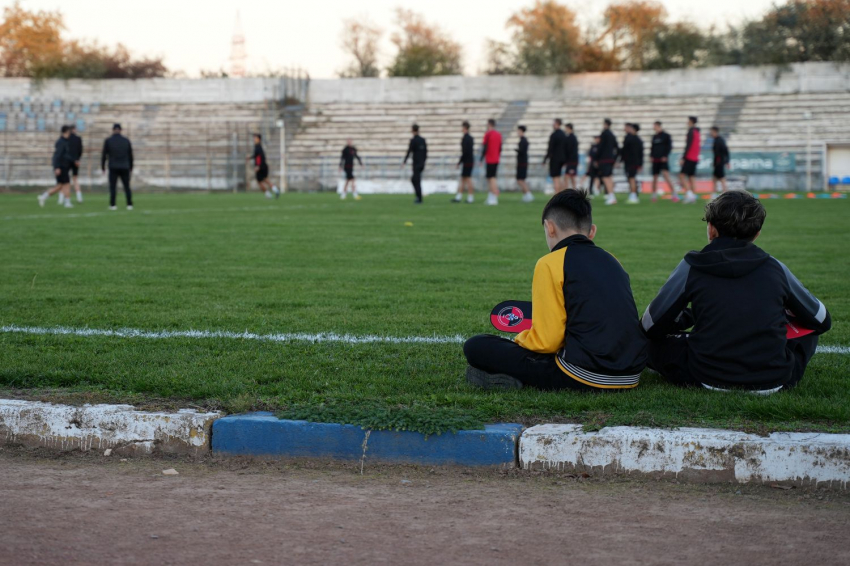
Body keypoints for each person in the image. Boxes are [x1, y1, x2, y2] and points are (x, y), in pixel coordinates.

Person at [642, 191, 831, 392]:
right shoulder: (775, 267)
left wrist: (690, 317)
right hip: (775, 378)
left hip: (703, 376)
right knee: (809, 328)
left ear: (711, 229)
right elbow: (821, 320)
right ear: (757, 234)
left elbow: (650, 325)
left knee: (648, 341)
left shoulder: (692, 266)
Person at [463, 189, 647, 391]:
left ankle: (507, 378)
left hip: (584, 376)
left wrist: (519, 339)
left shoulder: (551, 262)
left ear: (550, 228)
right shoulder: (613, 260)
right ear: (591, 231)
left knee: (476, 346)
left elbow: (547, 343)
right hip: (631, 374)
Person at [37, 125, 74, 209]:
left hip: (63, 166)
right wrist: (57, 167)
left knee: (60, 186)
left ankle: (43, 196)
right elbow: (57, 155)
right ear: (66, 132)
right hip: (61, 167)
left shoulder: (65, 141)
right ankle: (67, 203)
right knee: (66, 184)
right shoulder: (61, 142)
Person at [101, 123, 134, 210]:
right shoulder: (126, 140)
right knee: (126, 186)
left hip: (113, 166)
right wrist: (131, 167)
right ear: (120, 130)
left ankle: (113, 205)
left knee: (113, 187)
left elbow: (104, 155)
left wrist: (103, 167)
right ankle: (129, 204)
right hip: (125, 166)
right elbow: (130, 155)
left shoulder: (108, 140)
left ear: (113, 130)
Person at [247, 134, 280, 199]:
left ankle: (268, 194)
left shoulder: (258, 147)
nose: (254, 139)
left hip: (260, 166)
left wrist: (258, 166)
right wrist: (250, 157)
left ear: (259, 139)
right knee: (265, 180)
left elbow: (261, 157)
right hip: (263, 166)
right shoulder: (258, 147)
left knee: (259, 181)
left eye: (255, 138)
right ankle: (275, 190)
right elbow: (256, 156)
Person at [650, 121, 676, 202]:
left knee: (666, 175)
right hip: (655, 160)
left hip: (663, 159)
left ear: (658, 126)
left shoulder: (666, 136)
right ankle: (654, 195)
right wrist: (651, 156)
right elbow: (652, 148)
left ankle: (674, 194)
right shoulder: (654, 137)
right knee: (655, 177)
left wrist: (665, 156)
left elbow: (669, 147)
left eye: (654, 126)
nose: (653, 127)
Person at [620, 123, 643, 204]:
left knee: (631, 178)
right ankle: (633, 195)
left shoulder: (631, 139)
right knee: (631, 178)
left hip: (631, 162)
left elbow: (625, 151)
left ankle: (633, 196)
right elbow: (641, 153)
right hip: (633, 162)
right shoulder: (638, 140)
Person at [403, 123, 427, 204]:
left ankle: (419, 198)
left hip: (416, 164)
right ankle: (418, 197)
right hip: (421, 163)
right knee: (415, 180)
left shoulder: (413, 140)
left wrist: (404, 161)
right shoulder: (423, 140)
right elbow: (426, 153)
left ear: (413, 130)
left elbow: (409, 151)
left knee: (415, 180)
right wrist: (423, 162)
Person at [480, 119, 502, 206]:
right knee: (490, 178)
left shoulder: (488, 134)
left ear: (489, 124)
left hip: (490, 159)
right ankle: (490, 197)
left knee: (491, 178)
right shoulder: (499, 135)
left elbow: (485, 147)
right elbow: (500, 147)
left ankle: (494, 197)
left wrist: (481, 159)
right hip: (496, 158)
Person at [679, 116, 700, 204]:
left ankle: (689, 194)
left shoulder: (691, 131)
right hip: (695, 157)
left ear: (691, 121)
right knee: (691, 177)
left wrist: (683, 158)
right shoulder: (697, 132)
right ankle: (693, 197)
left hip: (689, 157)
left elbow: (688, 145)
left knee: (681, 176)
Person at [598, 118, 619, 206]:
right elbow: (617, 147)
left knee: (605, 177)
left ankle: (611, 196)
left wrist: (597, 157)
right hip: (610, 159)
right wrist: (614, 158)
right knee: (609, 177)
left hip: (604, 159)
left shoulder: (604, 134)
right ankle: (611, 195)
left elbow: (601, 147)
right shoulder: (612, 134)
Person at [453, 121, 475, 204]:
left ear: (465, 128)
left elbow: (465, 152)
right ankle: (459, 196)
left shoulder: (466, 138)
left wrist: (459, 162)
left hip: (467, 161)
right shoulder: (470, 138)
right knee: (463, 179)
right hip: (468, 160)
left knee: (468, 179)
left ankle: (470, 197)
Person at [543, 119, 567, 194]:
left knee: (555, 177)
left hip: (555, 159)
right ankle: (562, 194)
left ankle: (557, 194)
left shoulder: (554, 135)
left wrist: (545, 159)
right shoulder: (564, 134)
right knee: (559, 177)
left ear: (557, 124)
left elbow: (550, 148)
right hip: (562, 159)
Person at [515, 125, 533, 203]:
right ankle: (526, 195)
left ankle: (528, 194)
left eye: (518, 131)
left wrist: (517, 150)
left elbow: (522, 151)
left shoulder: (524, 140)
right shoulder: (522, 140)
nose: (517, 132)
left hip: (522, 162)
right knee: (520, 180)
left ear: (521, 131)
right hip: (521, 162)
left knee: (520, 180)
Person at [710, 126, 729, 195]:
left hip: (719, 162)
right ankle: (714, 192)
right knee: (715, 178)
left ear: (715, 132)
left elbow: (725, 151)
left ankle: (725, 192)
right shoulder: (717, 140)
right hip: (718, 162)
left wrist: (726, 161)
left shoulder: (719, 140)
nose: (711, 133)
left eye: (711, 132)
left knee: (721, 178)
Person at [68, 124, 84, 204]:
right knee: (75, 178)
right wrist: (77, 159)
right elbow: (80, 150)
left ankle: (63, 198)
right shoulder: (78, 139)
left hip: (67, 161)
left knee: (65, 181)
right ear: (73, 129)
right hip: (75, 161)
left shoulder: (67, 139)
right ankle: (79, 197)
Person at [562, 123, 579, 191]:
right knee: (571, 177)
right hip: (571, 161)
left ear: (569, 128)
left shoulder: (572, 138)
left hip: (572, 161)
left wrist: (569, 160)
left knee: (569, 177)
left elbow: (572, 151)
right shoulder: (571, 137)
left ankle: (570, 192)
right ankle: (573, 192)